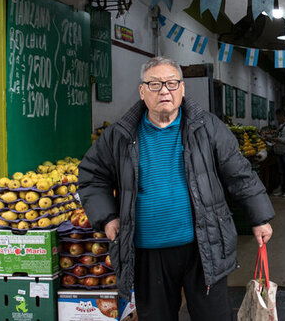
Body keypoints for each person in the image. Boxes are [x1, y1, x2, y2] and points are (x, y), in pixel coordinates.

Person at [78, 56, 274, 321]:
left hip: (203, 247)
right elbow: (91, 176)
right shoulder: (120, 135)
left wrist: (259, 217)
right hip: (147, 252)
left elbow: (239, 173)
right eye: (155, 84)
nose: (164, 91)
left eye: (171, 83)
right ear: (142, 91)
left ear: (182, 89)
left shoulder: (208, 128)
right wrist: (107, 217)